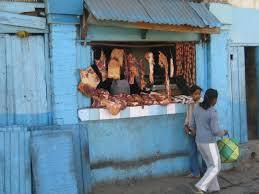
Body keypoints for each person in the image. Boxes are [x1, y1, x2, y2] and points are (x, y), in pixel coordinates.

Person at [190, 89, 228, 193]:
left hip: (199, 142)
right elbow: (216, 131)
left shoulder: (197, 108)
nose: (216, 101)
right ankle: (201, 186)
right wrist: (223, 132)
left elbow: (192, 125)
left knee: (210, 166)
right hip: (209, 143)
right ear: (214, 99)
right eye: (216, 99)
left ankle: (213, 188)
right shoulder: (212, 112)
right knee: (216, 166)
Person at [184, 85, 207, 178]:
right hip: (191, 130)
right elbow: (188, 115)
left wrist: (197, 130)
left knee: (203, 152)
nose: (197, 96)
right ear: (191, 94)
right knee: (192, 151)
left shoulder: (202, 104)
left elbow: (203, 119)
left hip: (200, 131)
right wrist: (185, 125)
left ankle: (205, 172)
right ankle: (195, 172)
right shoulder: (189, 103)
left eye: (199, 94)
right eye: (195, 94)